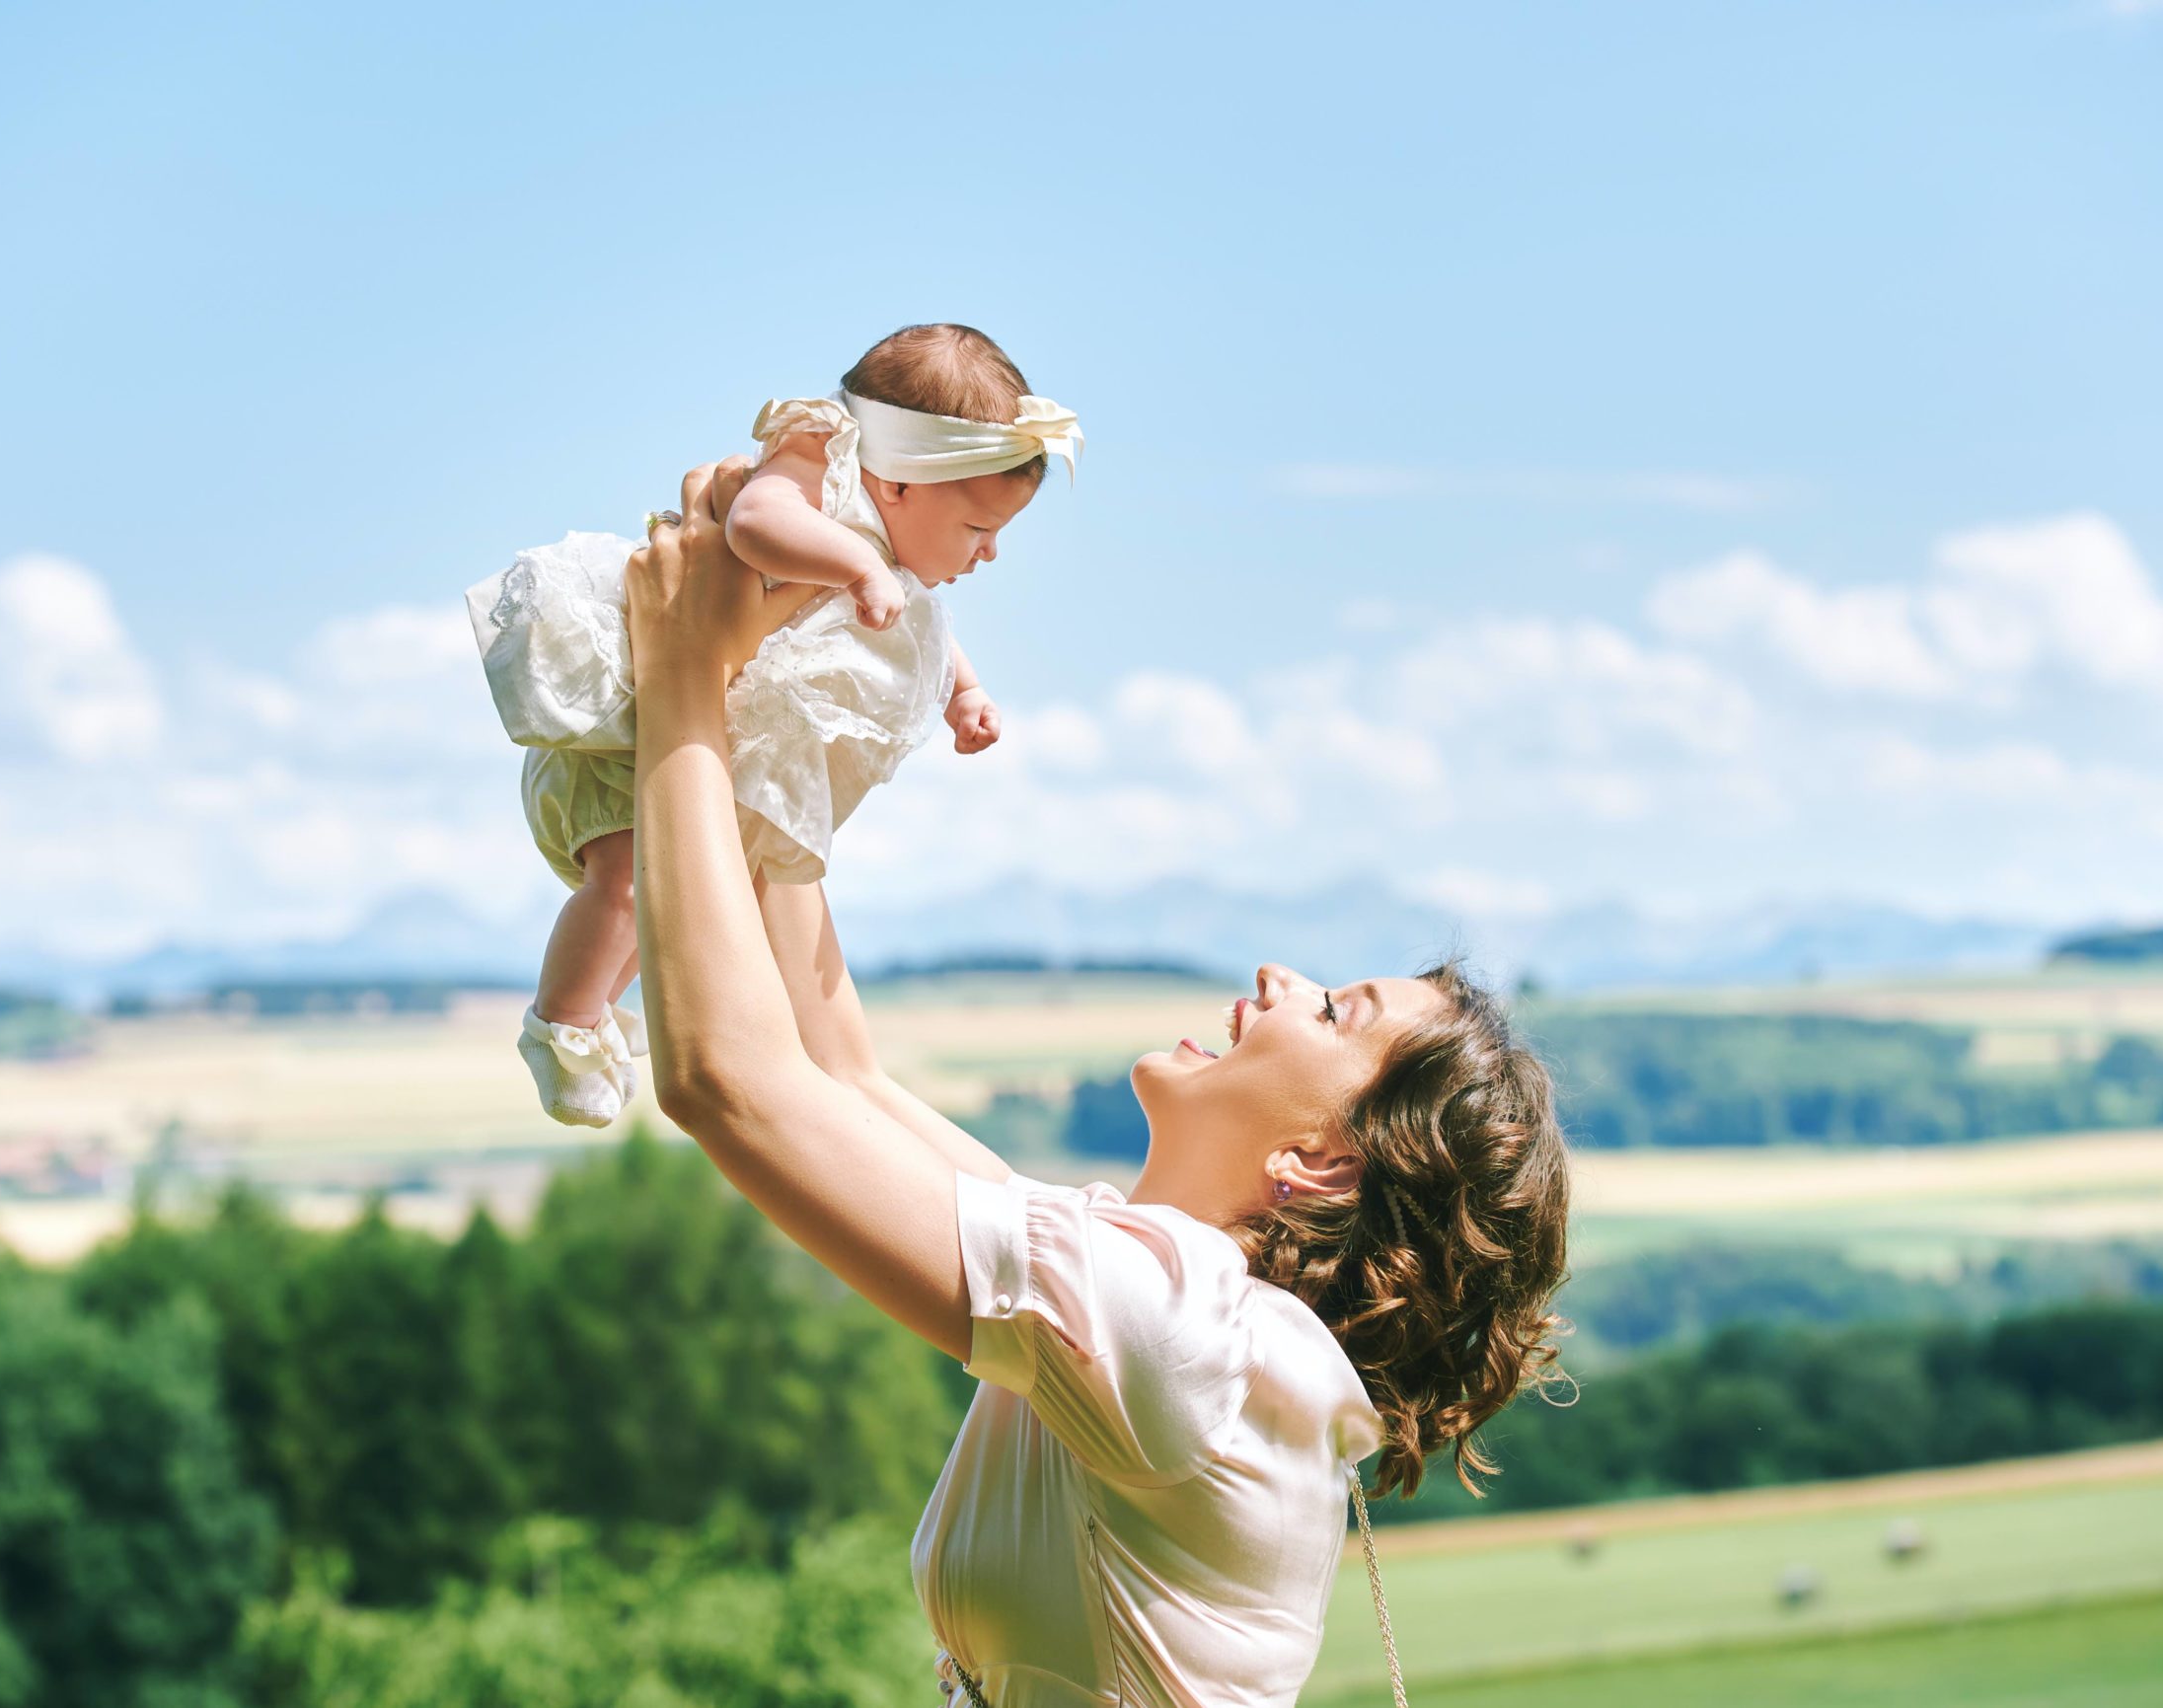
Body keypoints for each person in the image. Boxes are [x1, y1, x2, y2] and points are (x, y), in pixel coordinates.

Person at [622, 459, 1573, 1706]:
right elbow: (828, 1069)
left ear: (1321, 1165)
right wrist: (771, 699)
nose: (1282, 976)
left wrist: (680, 677)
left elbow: (730, 1085)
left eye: (1335, 1010)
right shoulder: (1147, 1290)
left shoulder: (1177, 1330)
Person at [465, 324, 1082, 1125]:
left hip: (714, 746)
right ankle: (565, 1023)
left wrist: (964, 692)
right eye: (976, 529)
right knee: (622, 884)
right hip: (635, 733)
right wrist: (858, 565)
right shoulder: (820, 466)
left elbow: (928, 629)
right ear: (899, 484)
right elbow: (757, 522)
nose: (990, 552)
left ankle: (632, 1012)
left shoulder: (896, 571)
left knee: (688, 896)